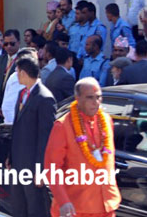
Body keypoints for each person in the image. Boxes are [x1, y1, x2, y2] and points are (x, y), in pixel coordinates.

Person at [43, 78, 121, 217]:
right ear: (77, 98)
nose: (95, 102)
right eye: (90, 97)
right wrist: (63, 201)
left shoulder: (106, 120)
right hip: (76, 208)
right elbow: (52, 168)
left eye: (98, 97)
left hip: (107, 205)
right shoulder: (62, 126)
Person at [8, 53, 57, 217]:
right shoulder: (22, 93)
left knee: (35, 208)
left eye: (17, 71)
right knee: (18, 206)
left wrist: (40, 169)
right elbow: (16, 128)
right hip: (18, 160)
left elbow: (46, 137)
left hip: (32, 164)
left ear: (22, 72)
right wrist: (11, 156)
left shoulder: (45, 98)